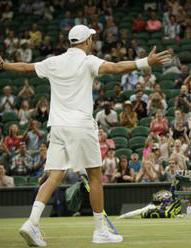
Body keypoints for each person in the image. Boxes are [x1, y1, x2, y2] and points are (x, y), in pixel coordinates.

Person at [0, 24, 170, 246]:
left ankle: (32, 222)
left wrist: (4, 64)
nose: (93, 41)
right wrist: (146, 62)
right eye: (92, 38)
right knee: (95, 176)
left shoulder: (53, 61)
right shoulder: (88, 60)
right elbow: (117, 67)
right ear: (88, 41)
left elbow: (25, 68)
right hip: (80, 125)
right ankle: (100, 230)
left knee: (54, 176)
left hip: (58, 128)